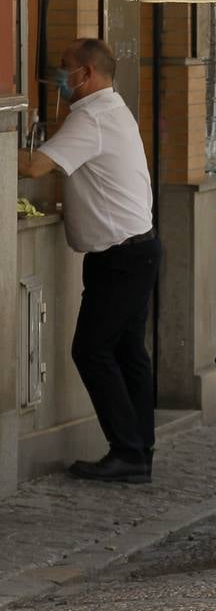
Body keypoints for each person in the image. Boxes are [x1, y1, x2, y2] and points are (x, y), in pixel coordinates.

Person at [18, 38, 161, 484]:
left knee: (92, 350)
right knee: (128, 351)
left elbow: (36, 167)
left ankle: (127, 451)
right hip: (132, 249)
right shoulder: (109, 110)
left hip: (122, 256)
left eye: (65, 68)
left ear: (89, 74)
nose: (59, 77)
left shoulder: (94, 117)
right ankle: (139, 450)